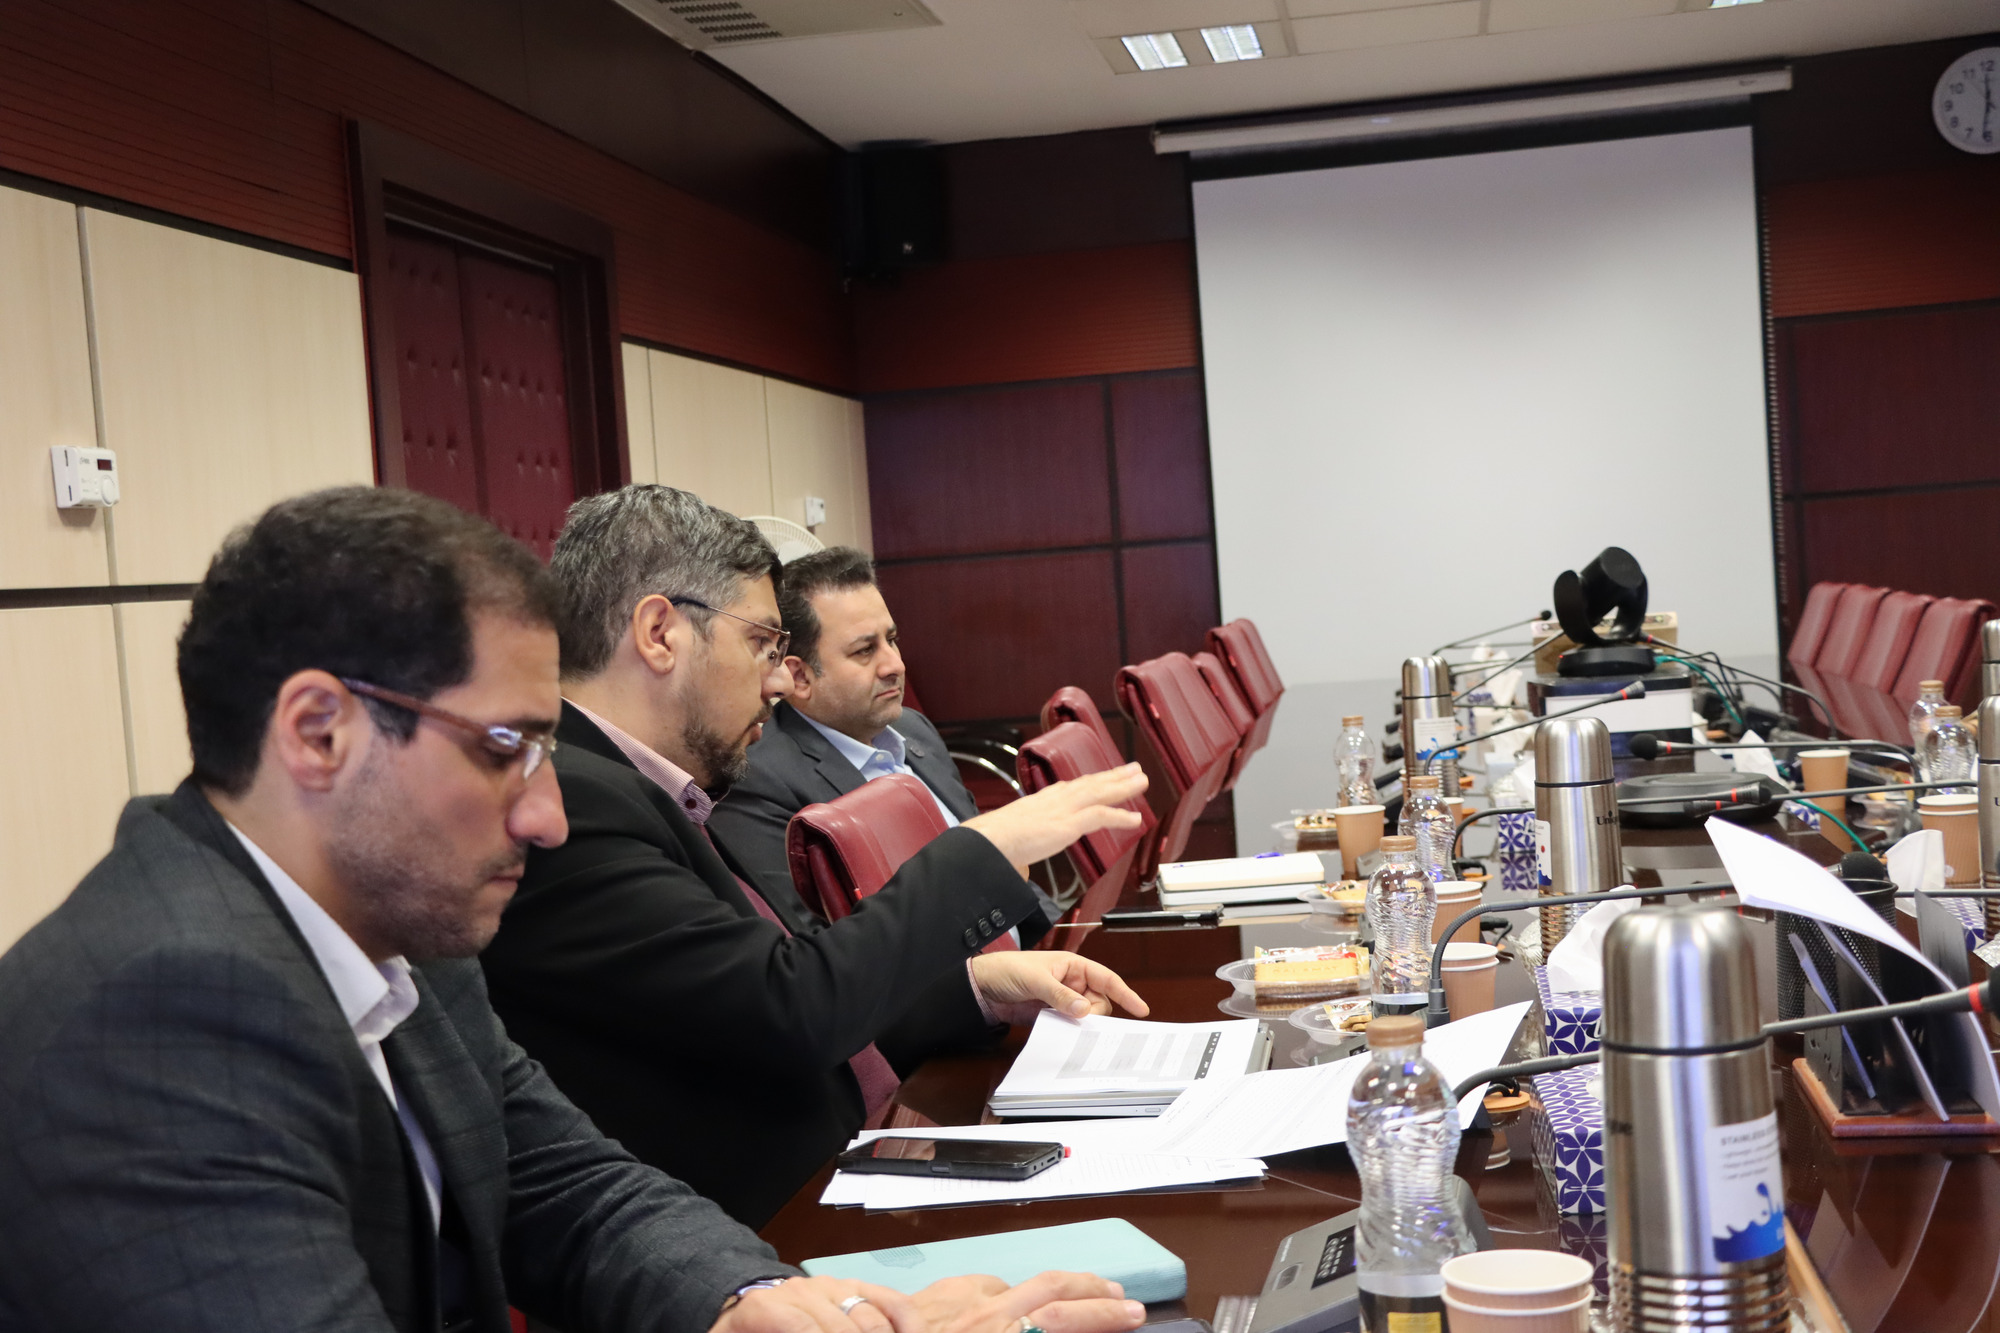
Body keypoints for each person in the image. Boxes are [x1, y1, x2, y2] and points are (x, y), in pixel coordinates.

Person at [0, 486, 1148, 1333]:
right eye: (505, 746)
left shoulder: (404, 936)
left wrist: (752, 1300)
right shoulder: (155, 1019)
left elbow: (568, 1184)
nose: (548, 815)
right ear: (318, 734)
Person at [481, 485, 1150, 1228]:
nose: (778, 680)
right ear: (660, 633)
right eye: (762, 645)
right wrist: (981, 848)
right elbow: (789, 1012)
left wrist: (976, 989)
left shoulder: (651, 785)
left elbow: (765, 1000)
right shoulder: (568, 804)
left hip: (854, 1172)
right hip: (780, 1227)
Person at [707, 547, 1049, 936]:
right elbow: (815, 946)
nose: (895, 665)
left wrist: (1064, 938)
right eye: (865, 650)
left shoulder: (913, 729)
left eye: (892, 640)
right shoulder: (758, 780)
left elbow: (1006, 869)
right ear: (799, 677)